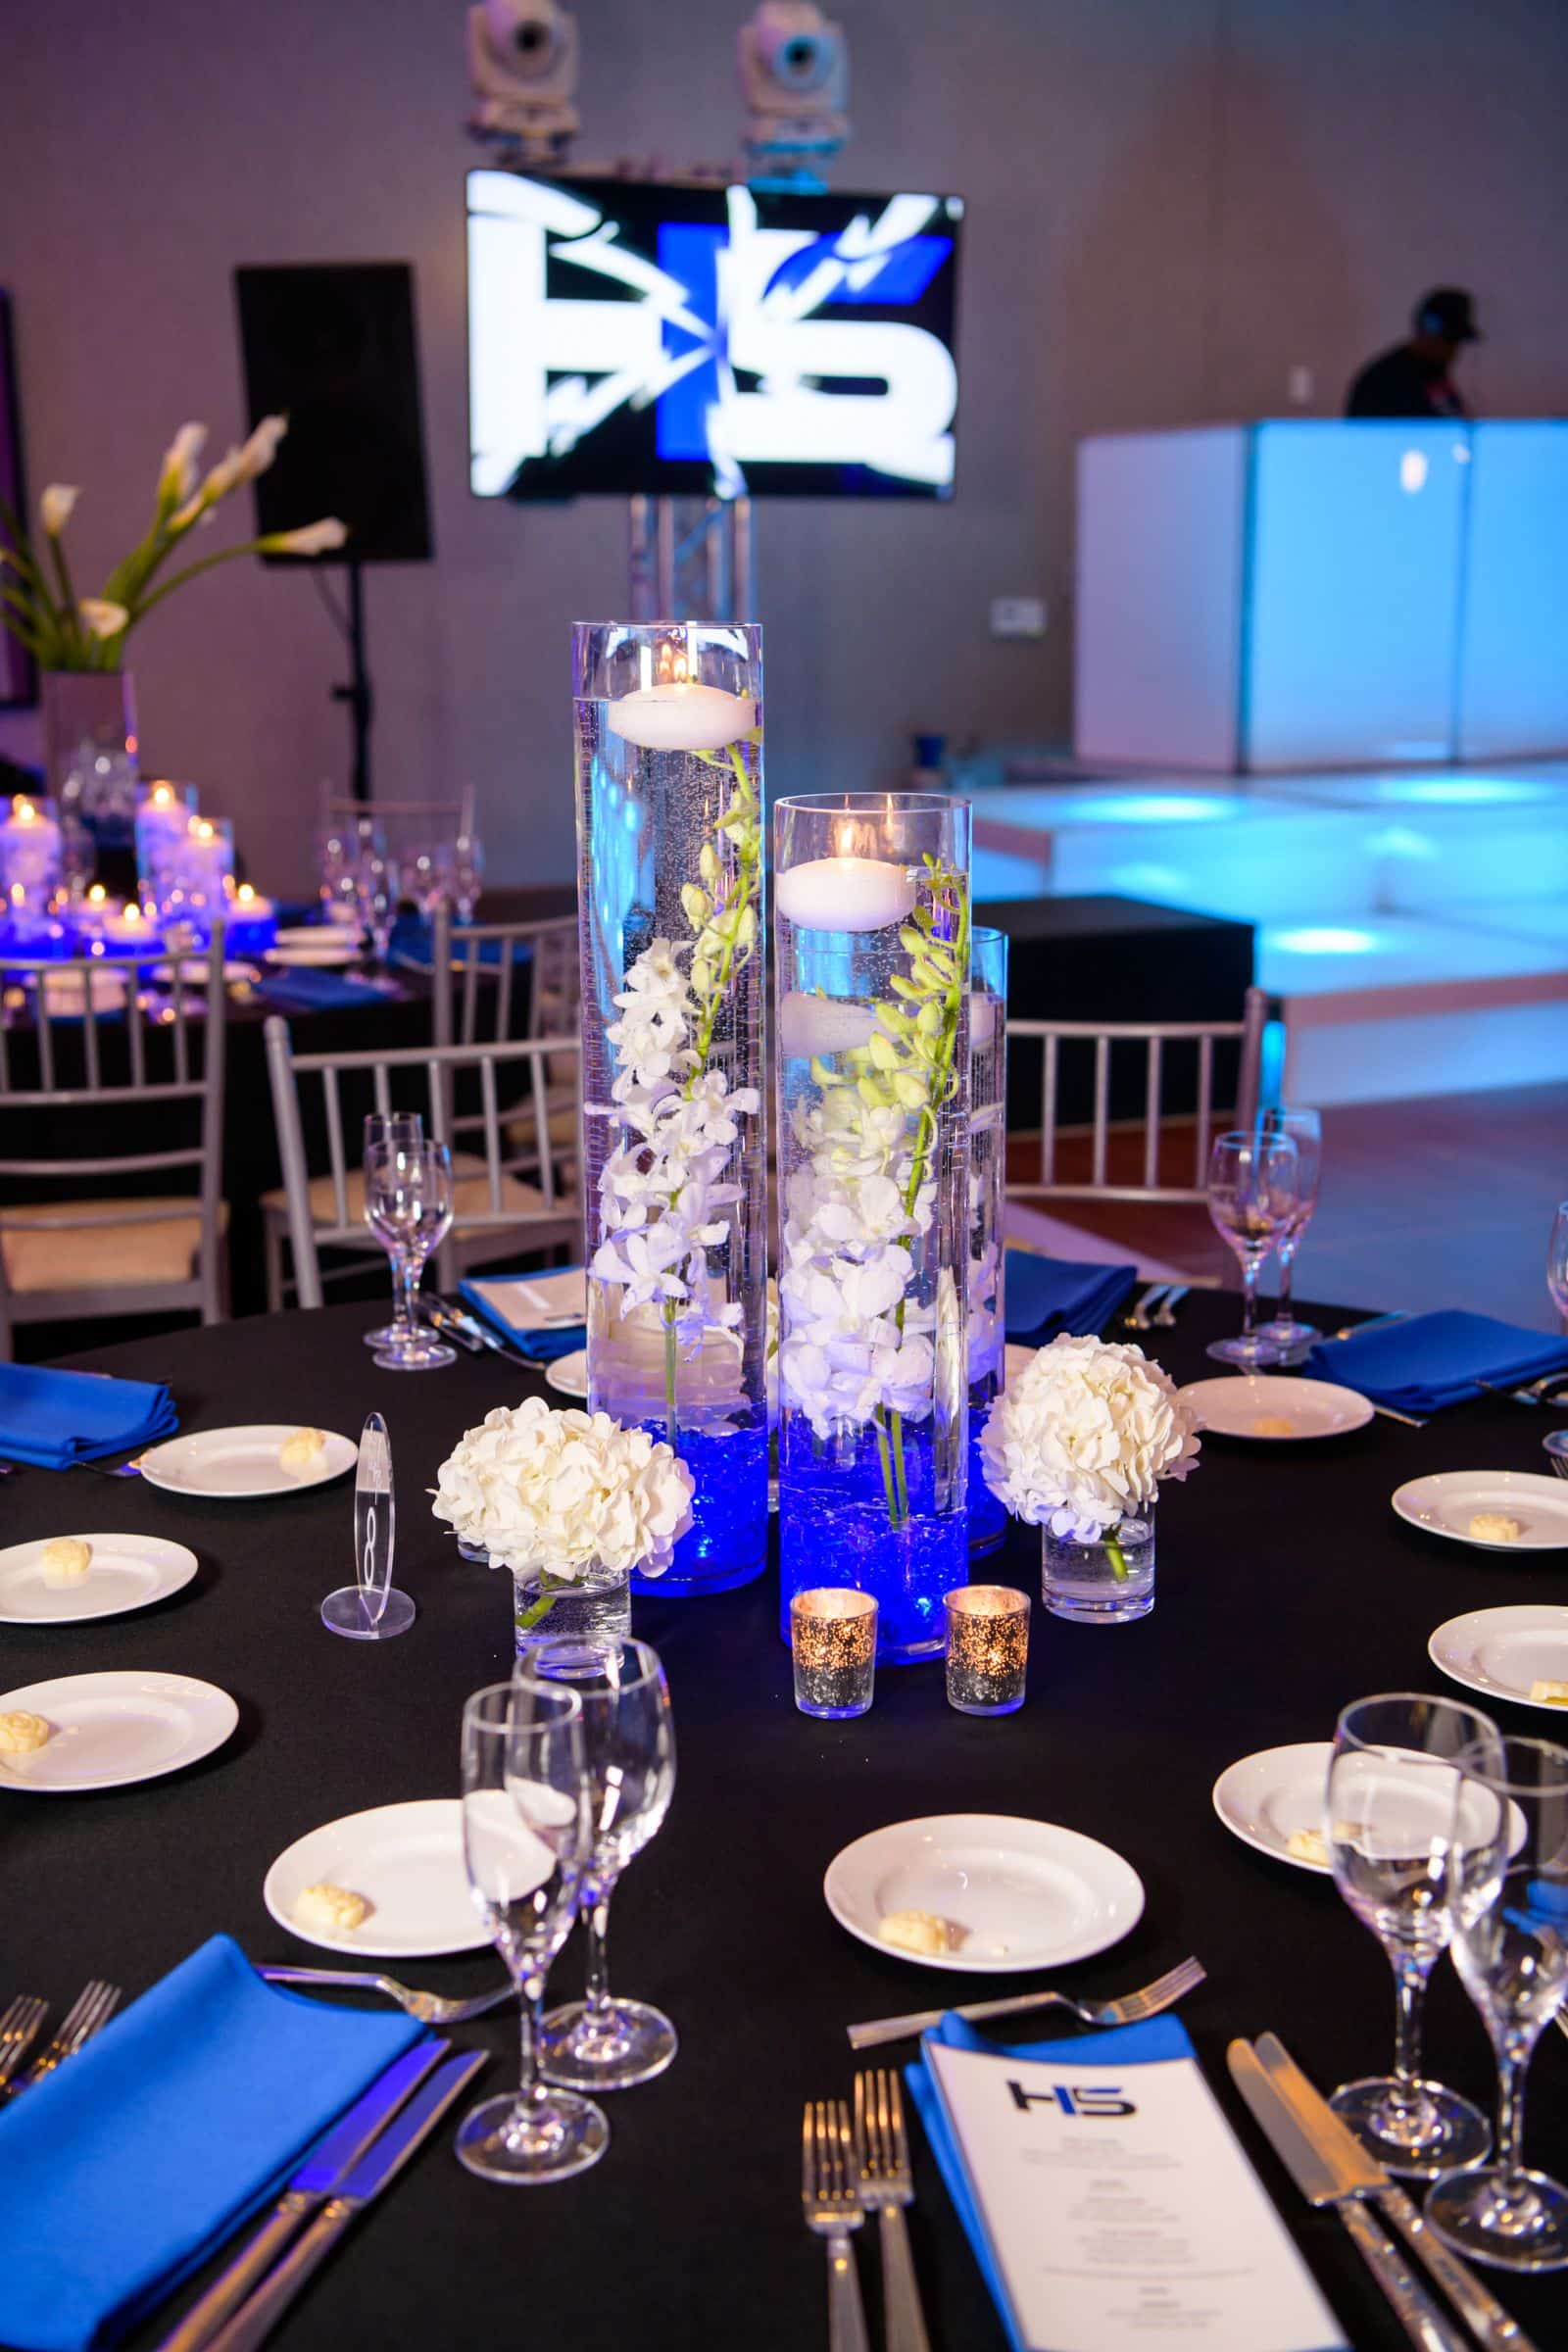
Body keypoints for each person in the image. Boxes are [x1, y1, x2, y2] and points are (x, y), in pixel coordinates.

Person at [1346, 287, 1481, 419]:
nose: (1453, 351)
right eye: (1449, 340)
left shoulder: (1434, 373)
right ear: (1427, 329)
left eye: (1457, 342)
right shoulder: (1383, 381)